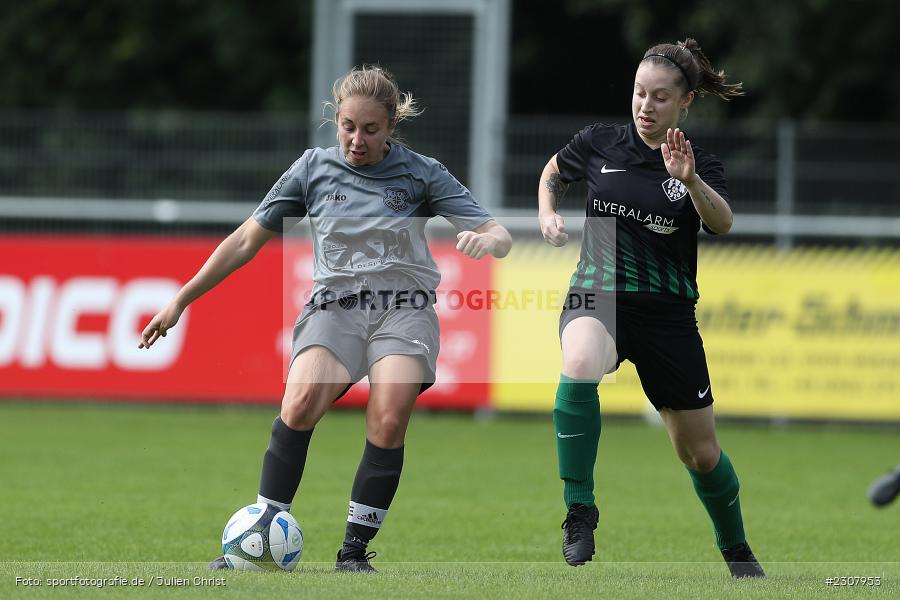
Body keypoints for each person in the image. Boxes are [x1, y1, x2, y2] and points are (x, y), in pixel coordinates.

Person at [139, 65, 511, 572]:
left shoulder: (423, 172)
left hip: (404, 310)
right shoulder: (312, 168)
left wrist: (486, 240)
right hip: (335, 306)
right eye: (348, 127)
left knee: (388, 415)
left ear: (391, 127)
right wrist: (180, 299)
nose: (357, 140)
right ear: (336, 121)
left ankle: (353, 554)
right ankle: (261, 532)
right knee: (301, 402)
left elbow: (499, 234)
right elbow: (246, 240)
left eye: (371, 129)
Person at [537, 38, 764, 578]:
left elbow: (722, 221)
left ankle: (736, 550)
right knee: (580, 363)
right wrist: (547, 212)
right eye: (640, 93)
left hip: (667, 314)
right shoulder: (599, 143)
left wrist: (690, 182)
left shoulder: (697, 163)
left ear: (685, 103)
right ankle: (580, 509)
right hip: (599, 291)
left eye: (661, 97)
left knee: (700, 455)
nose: (645, 106)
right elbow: (553, 171)